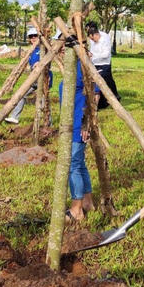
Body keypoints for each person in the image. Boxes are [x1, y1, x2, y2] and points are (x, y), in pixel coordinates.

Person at [60, 50, 99, 221]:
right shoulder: (70, 67)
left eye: (63, 47)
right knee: (79, 164)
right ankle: (88, 202)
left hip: (78, 124)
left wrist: (86, 123)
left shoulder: (83, 67)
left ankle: (76, 209)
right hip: (70, 124)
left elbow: (94, 96)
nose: (61, 50)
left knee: (73, 165)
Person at [5, 27, 49, 124]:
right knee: (21, 94)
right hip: (33, 78)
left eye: (35, 36)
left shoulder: (44, 48)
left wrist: (41, 63)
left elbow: (48, 60)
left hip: (43, 78)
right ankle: (14, 117)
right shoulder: (32, 50)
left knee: (43, 102)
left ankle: (48, 122)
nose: (33, 38)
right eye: (31, 36)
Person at [87, 22, 120, 109]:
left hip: (104, 63)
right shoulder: (92, 38)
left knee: (106, 81)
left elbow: (105, 54)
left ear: (95, 33)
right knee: (98, 83)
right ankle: (101, 103)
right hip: (95, 63)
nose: (93, 40)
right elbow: (92, 50)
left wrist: (93, 55)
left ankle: (114, 96)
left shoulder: (105, 38)